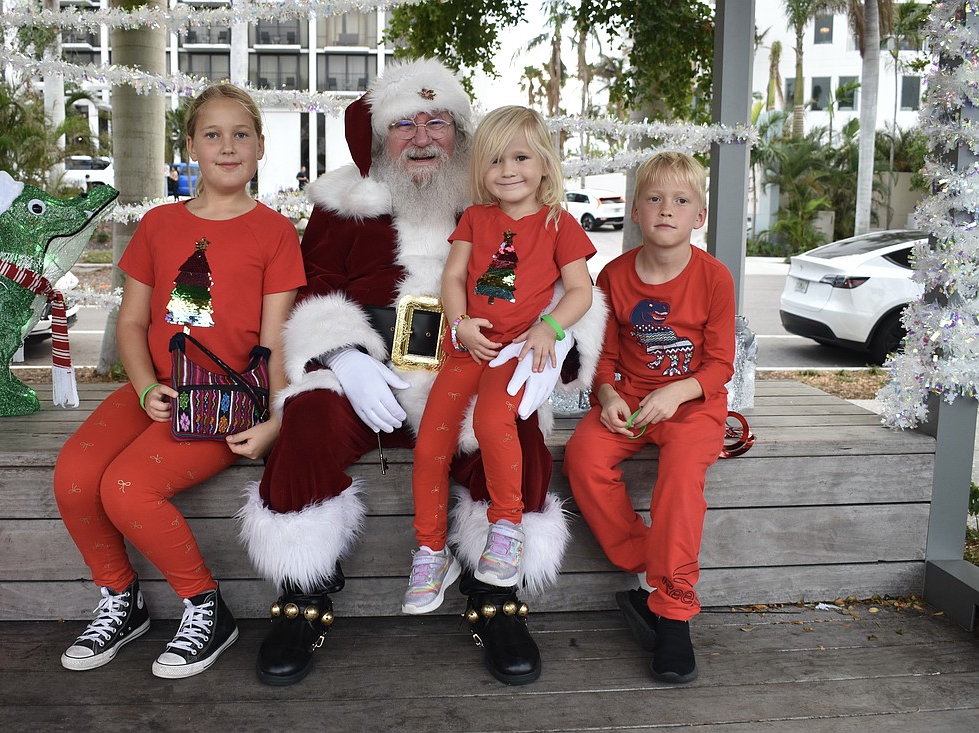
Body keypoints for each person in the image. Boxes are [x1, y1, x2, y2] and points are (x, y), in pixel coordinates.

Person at [235, 58, 606, 687]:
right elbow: (313, 286)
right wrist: (342, 355)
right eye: (405, 124)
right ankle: (304, 587)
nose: (423, 137)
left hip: (479, 360)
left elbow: (570, 287)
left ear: (461, 133)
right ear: (381, 138)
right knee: (310, 419)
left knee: (514, 432)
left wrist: (556, 346)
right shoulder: (340, 206)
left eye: (439, 122)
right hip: (369, 369)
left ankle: (496, 592)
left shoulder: (497, 196)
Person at [53, 83, 305, 679]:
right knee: (74, 477)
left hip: (225, 401)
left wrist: (277, 418)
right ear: (190, 146)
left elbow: (278, 342)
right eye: (212, 135)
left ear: (260, 147)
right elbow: (132, 323)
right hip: (156, 388)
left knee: (126, 488)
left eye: (240, 135)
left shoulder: (275, 232)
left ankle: (206, 607)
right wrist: (144, 387)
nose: (227, 146)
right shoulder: (159, 225)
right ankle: (122, 599)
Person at [402, 106, 594, 615]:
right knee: (430, 444)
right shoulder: (475, 218)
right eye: (494, 161)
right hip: (468, 347)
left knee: (492, 421)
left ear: (545, 164)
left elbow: (581, 291)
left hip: (515, 350)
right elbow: (453, 277)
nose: (507, 170)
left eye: (520, 158)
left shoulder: (558, 223)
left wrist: (550, 328)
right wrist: (461, 322)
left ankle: (506, 527)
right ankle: (430, 550)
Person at [563, 151, 736, 684]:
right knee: (582, 456)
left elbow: (720, 364)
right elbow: (604, 356)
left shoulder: (715, 278)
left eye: (680, 201)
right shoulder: (613, 276)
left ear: (698, 216)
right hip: (633, 400)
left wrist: (679, 392)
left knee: (681, 476)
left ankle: (674, 611)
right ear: (635, 211)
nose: (666, 209)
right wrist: (607, 395)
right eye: (655, 198)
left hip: (692, 405)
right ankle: (647, 555)